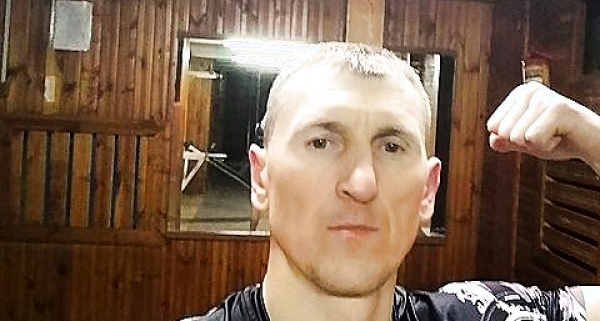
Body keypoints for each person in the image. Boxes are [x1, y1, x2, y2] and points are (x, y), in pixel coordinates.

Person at [180, 42, 600, 321]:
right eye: (321, 142)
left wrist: (591, 136)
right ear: (261, 178)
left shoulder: (488, 314)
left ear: (427, 191)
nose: (362, 183)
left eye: (392, 147)